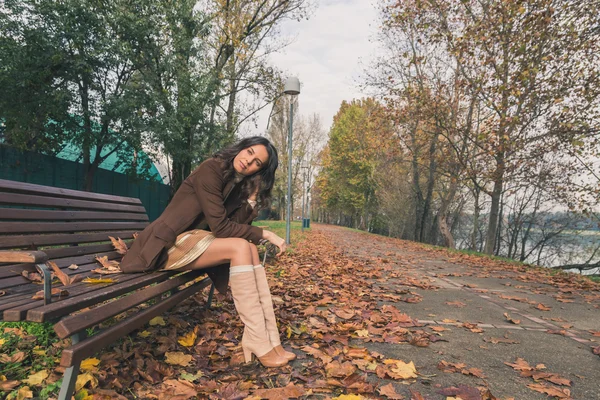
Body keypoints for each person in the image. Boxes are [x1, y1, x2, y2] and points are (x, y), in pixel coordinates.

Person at [120, 136, 295, 368]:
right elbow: (222, 228)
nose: (248, 161)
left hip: (191, 242)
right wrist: (267, 234)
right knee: (242, 245)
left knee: (249, 247)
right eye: (249, 152)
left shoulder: (234, 182)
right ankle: (258, 339)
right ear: (241, 148)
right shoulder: (211, 169)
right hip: (164, 246)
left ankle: (269, 338)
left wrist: (252, 198)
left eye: (257, 164)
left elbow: (235, 225)